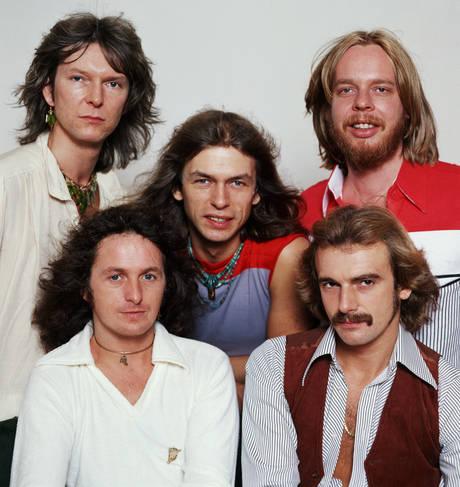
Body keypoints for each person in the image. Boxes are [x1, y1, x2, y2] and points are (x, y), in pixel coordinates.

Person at [0, 12, 158, 485]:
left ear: (128, 99)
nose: (95, 97)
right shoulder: (9, 182)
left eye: (113, 83)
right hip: (12, 414)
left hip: (95, 419)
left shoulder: (119, 197)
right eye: (78, 78)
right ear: (49, 91)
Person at [10, 205, 238, 487]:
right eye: (116, 277)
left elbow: (210, 480)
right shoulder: (54, 375)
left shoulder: (207, 367)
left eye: (149, 276)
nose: (135, 295)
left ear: (167, 285)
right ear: (85, 288)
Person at [243, 205, 460, 486]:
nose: (345, 305)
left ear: (404, 285)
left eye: (365, 282)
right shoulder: (274, 364)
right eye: (330, 284)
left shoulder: (448, 391)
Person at [300, 30, 460, 368]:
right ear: (327, 110)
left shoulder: (456, 192)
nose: (362, 103)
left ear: (408, 107)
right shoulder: (304, 212)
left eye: (381, 89)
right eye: (346, 90)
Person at [134, 109, 310, 406]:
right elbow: (130, 360)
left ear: (256, 192)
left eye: (237, 183)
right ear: (177, 188)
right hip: (168, 413)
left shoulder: (286, 254)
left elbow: (283, 370)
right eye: (203, 181)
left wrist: (186, 372)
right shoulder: (150, 251)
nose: (220, 200)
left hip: (260, 415)